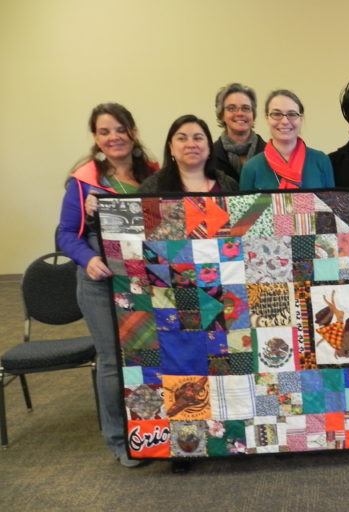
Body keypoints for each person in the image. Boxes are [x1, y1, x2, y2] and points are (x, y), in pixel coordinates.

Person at [56, 103, 157, 468]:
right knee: (113, 360)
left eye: (120, 129)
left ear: (132, 131)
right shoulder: (84, 180)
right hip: (100, 279)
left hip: (141, 279)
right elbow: (65, 234)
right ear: (96, 138)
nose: (113, 137)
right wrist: (88, 258)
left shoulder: (152, 174)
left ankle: (147, 431)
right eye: (104, 131)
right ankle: (119, 441)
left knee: (147, 356)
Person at [239, 89, 335, 190]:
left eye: (292, 114)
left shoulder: (321, 161)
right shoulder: (251, 168)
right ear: (267, 118)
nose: (285, 121)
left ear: (301, 119)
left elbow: (332, 204)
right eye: (276, 114)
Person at [139, 115, 238, 193]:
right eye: (182, 139)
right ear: (171, 148)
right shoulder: (151, 187)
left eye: (198, 138)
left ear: (209, 147)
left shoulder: (229, 185)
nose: (191, 145)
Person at [211, 83, 266, 181]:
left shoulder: (270, 153)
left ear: (253, 114)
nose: (240, 113)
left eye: (245, 108)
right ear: (222, 114)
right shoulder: (210, 156)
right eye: (231, 108)